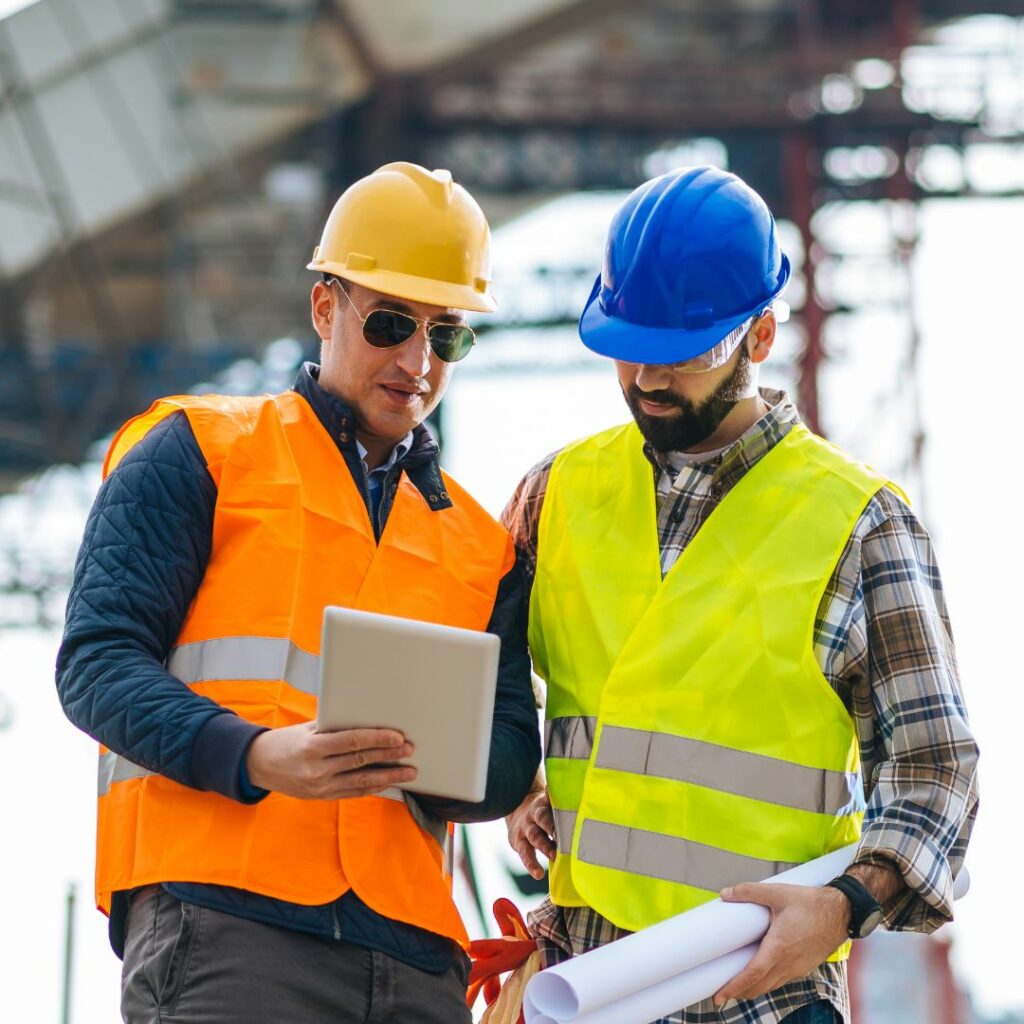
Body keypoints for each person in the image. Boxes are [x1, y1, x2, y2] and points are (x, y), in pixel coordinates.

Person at [56, 161, 540, 1024]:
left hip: (415, 958)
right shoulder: (200, 451)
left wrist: (443, 766)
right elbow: (96, 662)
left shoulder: (481, 544)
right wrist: (253, 756)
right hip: (226, 931)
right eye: (391, 322)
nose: (417, 361)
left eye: (448, 335)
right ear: (326, 308)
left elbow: (508, 757)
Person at [502, 165, 978, 1024]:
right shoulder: (557, 490)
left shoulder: (858, 526)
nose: (645, 376)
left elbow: (935, 775)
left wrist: (842, 906)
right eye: (627, 343)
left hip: (760, 991)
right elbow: (517, 692)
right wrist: (527, 778)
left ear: (760, 335)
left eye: (682, 351)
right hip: (579, 975)